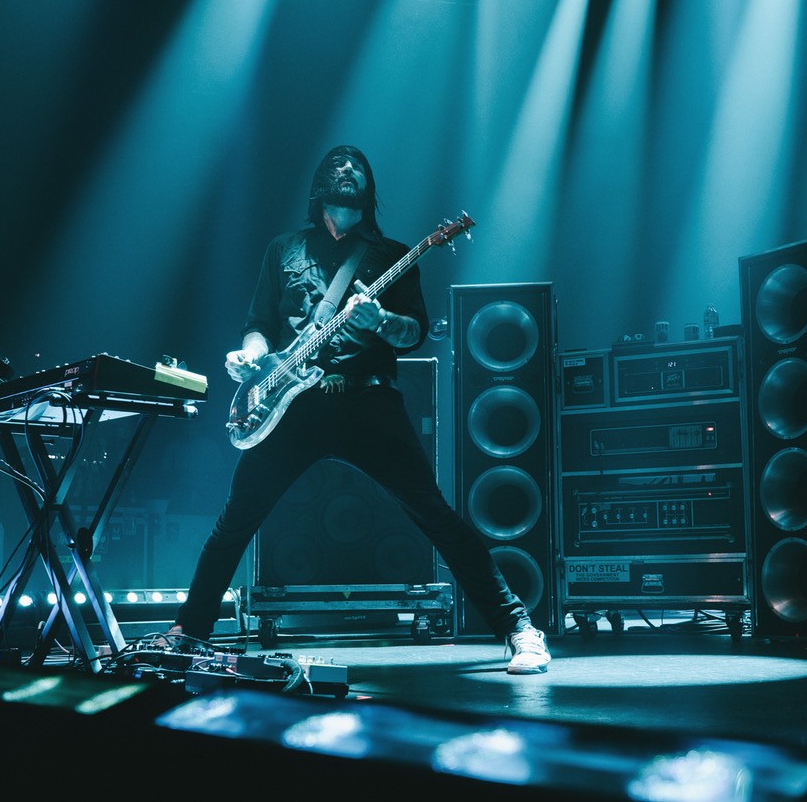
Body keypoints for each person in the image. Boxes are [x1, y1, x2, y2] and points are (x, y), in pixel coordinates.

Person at [165, 144, 550, 674]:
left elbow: (413, 330)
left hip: (368, 401)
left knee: (435, 515)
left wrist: (381, 324)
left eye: (359, 167)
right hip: (288, 406)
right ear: (320, 181)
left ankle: (519, 628)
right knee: (235, 521)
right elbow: (259, 324)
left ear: (370, 189)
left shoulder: (393, 254)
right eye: (339, 165)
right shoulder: (284, 249)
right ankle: (188, 633)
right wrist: (250, 357)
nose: (349, 171)